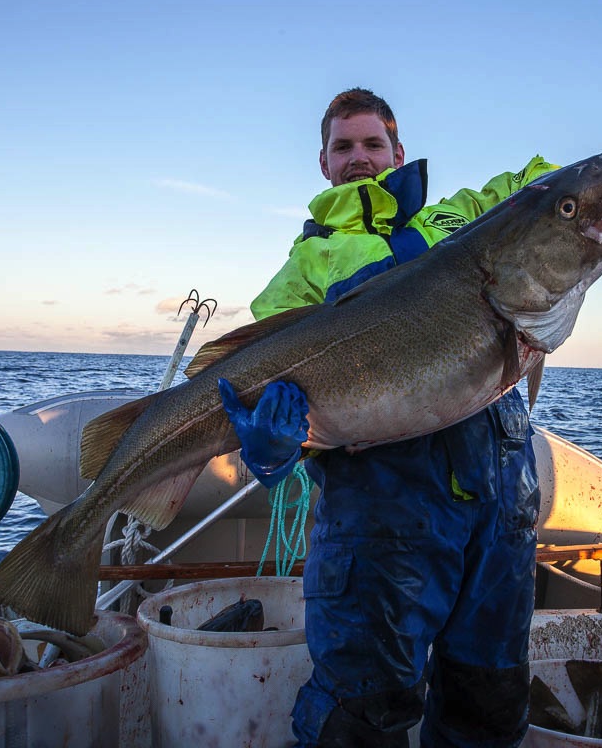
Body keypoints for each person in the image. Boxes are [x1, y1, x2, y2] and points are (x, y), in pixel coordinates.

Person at [220, 88, 557, 747]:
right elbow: (272, 402)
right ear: (322, 162)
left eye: (373, 143)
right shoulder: (304, 269)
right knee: (362, 718)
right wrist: (271, 448)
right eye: (343, 146)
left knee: (488, 709)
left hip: (499, 518)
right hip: (379, 527)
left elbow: (536, 187)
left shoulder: (457, 220)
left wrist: (583, 193)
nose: (359, 158)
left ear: (398, 153)